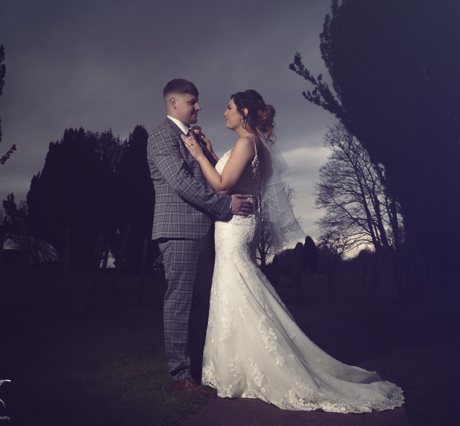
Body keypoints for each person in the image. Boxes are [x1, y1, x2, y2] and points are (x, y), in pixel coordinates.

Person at [181, 89, 405, 413]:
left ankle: (253, 367)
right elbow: (233, 177)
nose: (224, 113)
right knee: (238, 287)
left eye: (229, 108)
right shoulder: (254, 144)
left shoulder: (246, 143)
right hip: (239, 222)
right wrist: (212, 152)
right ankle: (239, 366)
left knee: (237, 286)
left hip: (234, 226)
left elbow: (223, 185)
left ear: (243, 110)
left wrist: (198, 155)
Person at [147, 79, 253, 398]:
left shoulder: (195, 137)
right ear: (174, 103)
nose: (199, 106)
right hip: (178, 230)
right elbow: (180, 183)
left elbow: (213, 179)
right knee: (180, 302)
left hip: (206, 231)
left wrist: (207, 151)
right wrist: (225, 206)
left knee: (201, 303)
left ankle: (197, 369)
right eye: (192, 101)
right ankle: (179, 375)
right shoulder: (161, 136)